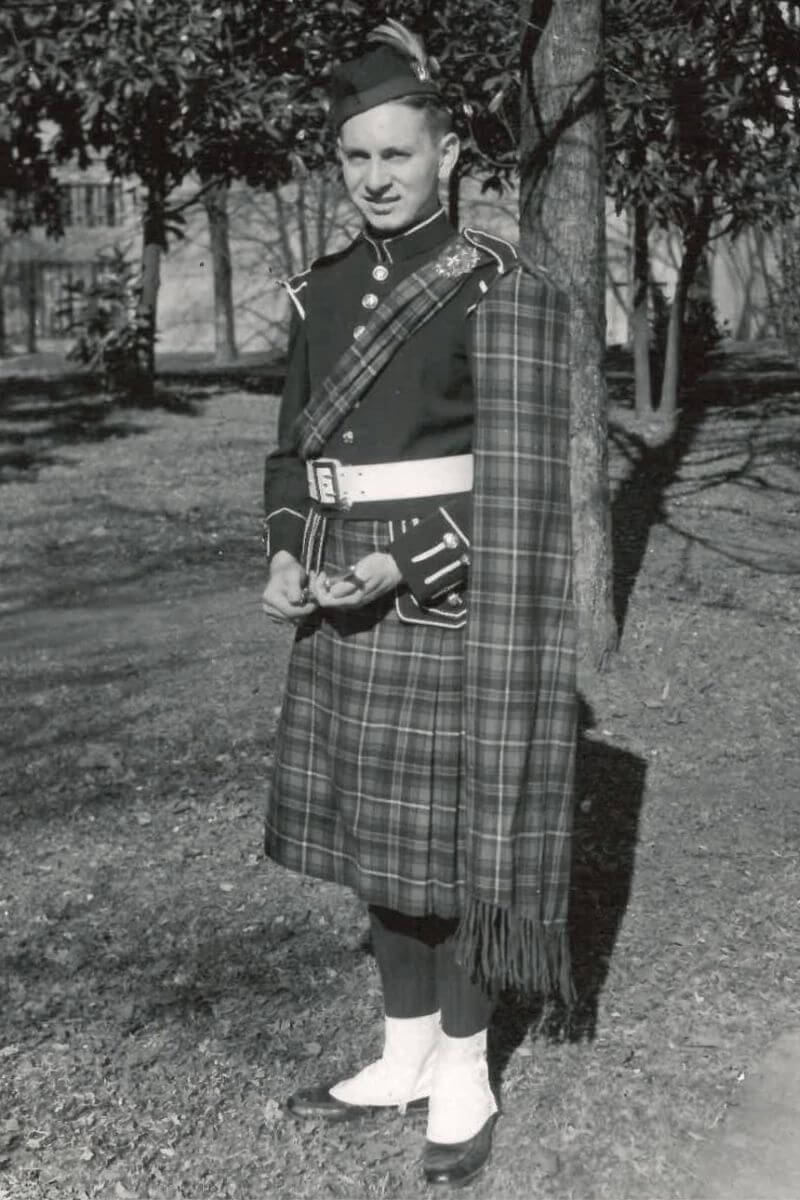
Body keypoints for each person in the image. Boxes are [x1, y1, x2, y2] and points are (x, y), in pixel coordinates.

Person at [261, 19, 576, 1189]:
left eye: (399, 155)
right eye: (356, 160)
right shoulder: (323, 288)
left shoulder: (498, 285)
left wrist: (404, 561)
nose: (378, 179)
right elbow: (294, 456)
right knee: (372, 842)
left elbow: (525, 485)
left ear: (447, 154)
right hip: (339, 597)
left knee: (448, 851)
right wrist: (289, 553)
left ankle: (462, 1065)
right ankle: (398, 1055)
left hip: (449, 601)